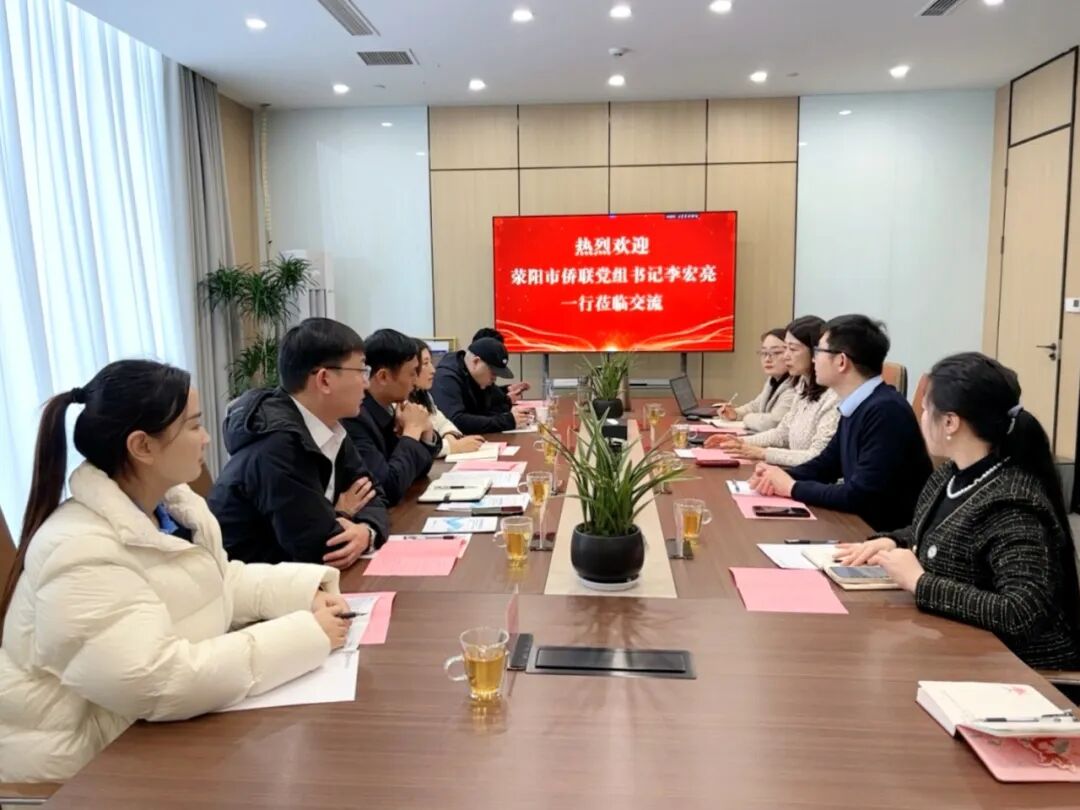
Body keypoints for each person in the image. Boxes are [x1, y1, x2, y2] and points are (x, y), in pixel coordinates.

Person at [0, 361, 349, 783]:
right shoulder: (79, 550)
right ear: (142, 446)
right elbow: (158, 680)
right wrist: (307, 635)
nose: (206, 438)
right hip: (82, 767)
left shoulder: (170, 507)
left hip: (146, 733)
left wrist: (305, 594)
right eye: (194, 426)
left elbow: (217, 583)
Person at [835, 353, 1080, 670]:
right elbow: (946, 532)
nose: (921, 418)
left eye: (926, 409)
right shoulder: (949, 475)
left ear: (950, 422)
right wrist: (893, 541)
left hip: (1011, 667)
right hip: (952, 644)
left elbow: (1020, 613)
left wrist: (920, 582)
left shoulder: (1013, 504)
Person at [209, 318, 389, 568]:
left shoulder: (330, 426)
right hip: (247, 583)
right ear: (324, 380)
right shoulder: (278, 444)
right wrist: (341, 513)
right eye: (361, 371)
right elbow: (321, 548)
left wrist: (366, 531)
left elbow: (375, 494)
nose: (366, 383)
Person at [751, 314, 932, 531]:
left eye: (819, 352)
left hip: (881, 535)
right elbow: (826, 464)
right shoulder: (857, 404)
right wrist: (778, 475)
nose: (814, 360)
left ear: (841, 361)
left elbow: (861, 495)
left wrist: (792, 487)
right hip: (859, 524)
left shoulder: (885, 410)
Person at [708, 316, 839, 466]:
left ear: (815, 352)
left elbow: (818, 457)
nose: (786, 356)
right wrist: (740, 442)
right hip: (796, 473)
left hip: (810, 478)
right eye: (785, 348)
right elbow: (782, 434)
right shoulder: (802, 386)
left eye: (792, 349)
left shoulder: (833, 397)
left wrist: (762, 453)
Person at [341, 329, 440, 505]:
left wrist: (426, 431)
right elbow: (388, 487)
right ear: (383, 376)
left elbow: (418, 471)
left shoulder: (388, 408)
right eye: (412, 373)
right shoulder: (355, 417)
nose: (415, 380)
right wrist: (412, 432)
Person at [432, 336, 532, 434]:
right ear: (476, 362)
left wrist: (515, 414)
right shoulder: (446, 378)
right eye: (493, 372)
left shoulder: (479, 379)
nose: (494, 378)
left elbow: (496, 404)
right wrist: (507, 421)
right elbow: (456, 421)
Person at [410, 338, 486, 458]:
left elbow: (442, 421)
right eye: (425, 364)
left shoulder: (423, 394)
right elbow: (415, 448)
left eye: (431, 362)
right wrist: (454, 447)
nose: (433, 370)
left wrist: (449, 435)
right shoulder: (399, 403)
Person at [717, 327, 796, 431]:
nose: (767, 359)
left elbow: (773, 423)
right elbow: (756, 406)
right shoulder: (773, 380)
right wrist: (735, 413)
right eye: (764, 353)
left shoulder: (796, 386)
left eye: (776, 352)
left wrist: (746, 418)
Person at [472, 327, 530, 407]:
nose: (494, 377)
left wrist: (508, 389)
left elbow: (490, 392)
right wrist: (507, 401)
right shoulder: (459, 379)